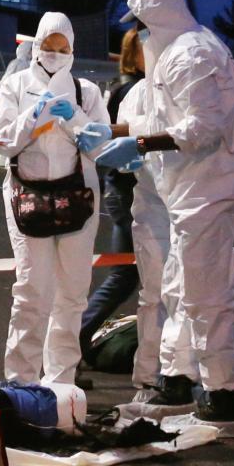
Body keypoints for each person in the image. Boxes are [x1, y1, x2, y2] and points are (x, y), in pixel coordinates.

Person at [97, 0, 234, 436]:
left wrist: (139, 144)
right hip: (189, 188)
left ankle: (222, 396)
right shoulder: (176, 52)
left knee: (205, 293)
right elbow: (161, 117)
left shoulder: (192, 54)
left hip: (209, 186)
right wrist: (116, 133)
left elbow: (202, 127)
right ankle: (179, 380)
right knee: (180, 285)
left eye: (141, 21)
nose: (138, 31)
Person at [0, 12, 112, 386]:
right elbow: (1, 142)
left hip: (78, 198)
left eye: (63, 47)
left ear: (72, 49)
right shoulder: (14, 86)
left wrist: (74, 117)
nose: (55, 53)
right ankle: (22, 382)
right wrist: (32, 116)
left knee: (72, 293)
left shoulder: (86, 91)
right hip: (28, 198)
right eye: (49, 45)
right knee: (32, 291)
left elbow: (101, 147)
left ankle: (61, 379)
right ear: (37, 45)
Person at [114, 31, 197, 405]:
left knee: (188, 292)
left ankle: (185, 373)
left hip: (186, 200)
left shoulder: (184, 89)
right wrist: (121, 153)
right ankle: (150, 376)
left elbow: (195, 134)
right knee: (154, 293)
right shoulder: (135, 94)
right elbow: (125, 146)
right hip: (150, 202)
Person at [78, 30, 145, 354]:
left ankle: (75, 340)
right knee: (126, 275)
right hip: (129, 188)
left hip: (121, 188)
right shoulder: (134, 89)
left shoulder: (121, 86)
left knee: (125, 275)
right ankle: (74, 339)